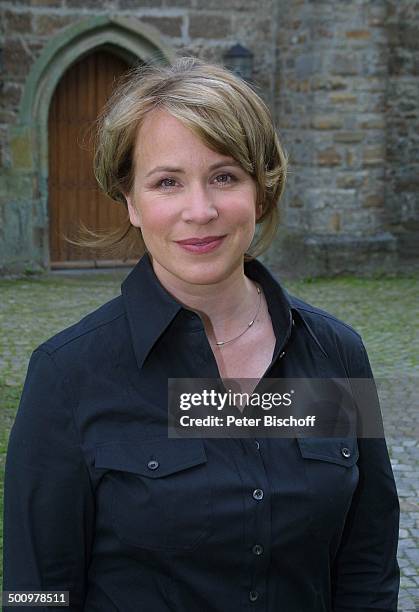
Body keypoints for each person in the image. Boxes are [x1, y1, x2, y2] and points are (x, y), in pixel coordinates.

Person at [3, 56, 400, 611]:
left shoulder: (334, 353)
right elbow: (35, 593)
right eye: (167, 182)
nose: (201, 209)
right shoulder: (70, 375)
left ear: (260, 192)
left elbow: (368, 562)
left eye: (225, 176)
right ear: (130, 201)